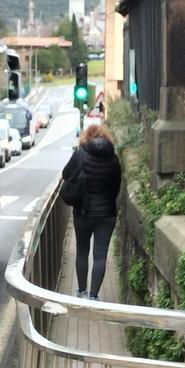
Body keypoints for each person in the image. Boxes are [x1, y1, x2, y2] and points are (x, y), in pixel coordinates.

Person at [62, 125, 122, 300]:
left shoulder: (80, 154)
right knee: (100, 255)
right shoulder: (114, 158)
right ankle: (94, 296)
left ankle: (81, 292)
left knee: (82, 250)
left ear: (86, 137)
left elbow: (66, 174)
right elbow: (116, 186)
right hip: (107, 214)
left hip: (83, 212)